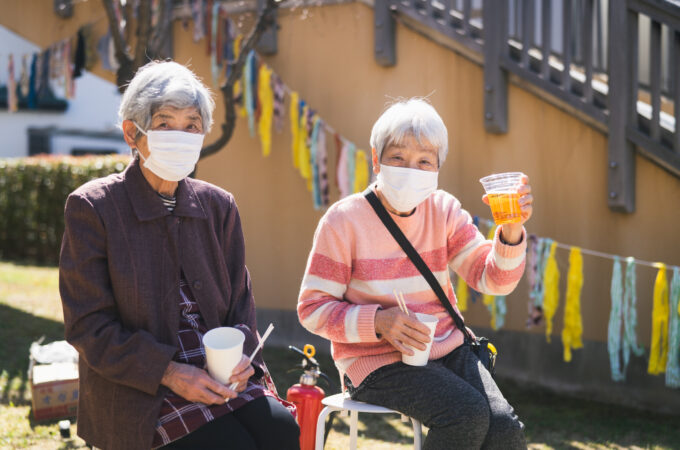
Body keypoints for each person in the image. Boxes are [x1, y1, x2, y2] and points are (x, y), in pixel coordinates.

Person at [59, 61, 299, 450]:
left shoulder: (219, 205)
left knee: (282, 431)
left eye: (191, 126)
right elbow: (88, 326)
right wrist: (170, 372)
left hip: (220, 373)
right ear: (132, 133)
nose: (180, 136)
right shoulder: (94, 207)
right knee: (229, 445)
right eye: (164, 123)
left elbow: (241, 303)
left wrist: (244, 356)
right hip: (143, 386)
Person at [297, 98, 533, 449]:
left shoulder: (444, 210)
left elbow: (493, 280)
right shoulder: (343, 221)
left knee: (504, 428)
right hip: (372, 361)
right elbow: (312, 309)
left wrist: (511, 232)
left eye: (424, 161)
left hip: (449, 348)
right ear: (376, 159)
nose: (411, 169)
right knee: (465, 414)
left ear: (438, 167)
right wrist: (379, 322)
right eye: (398, 157)